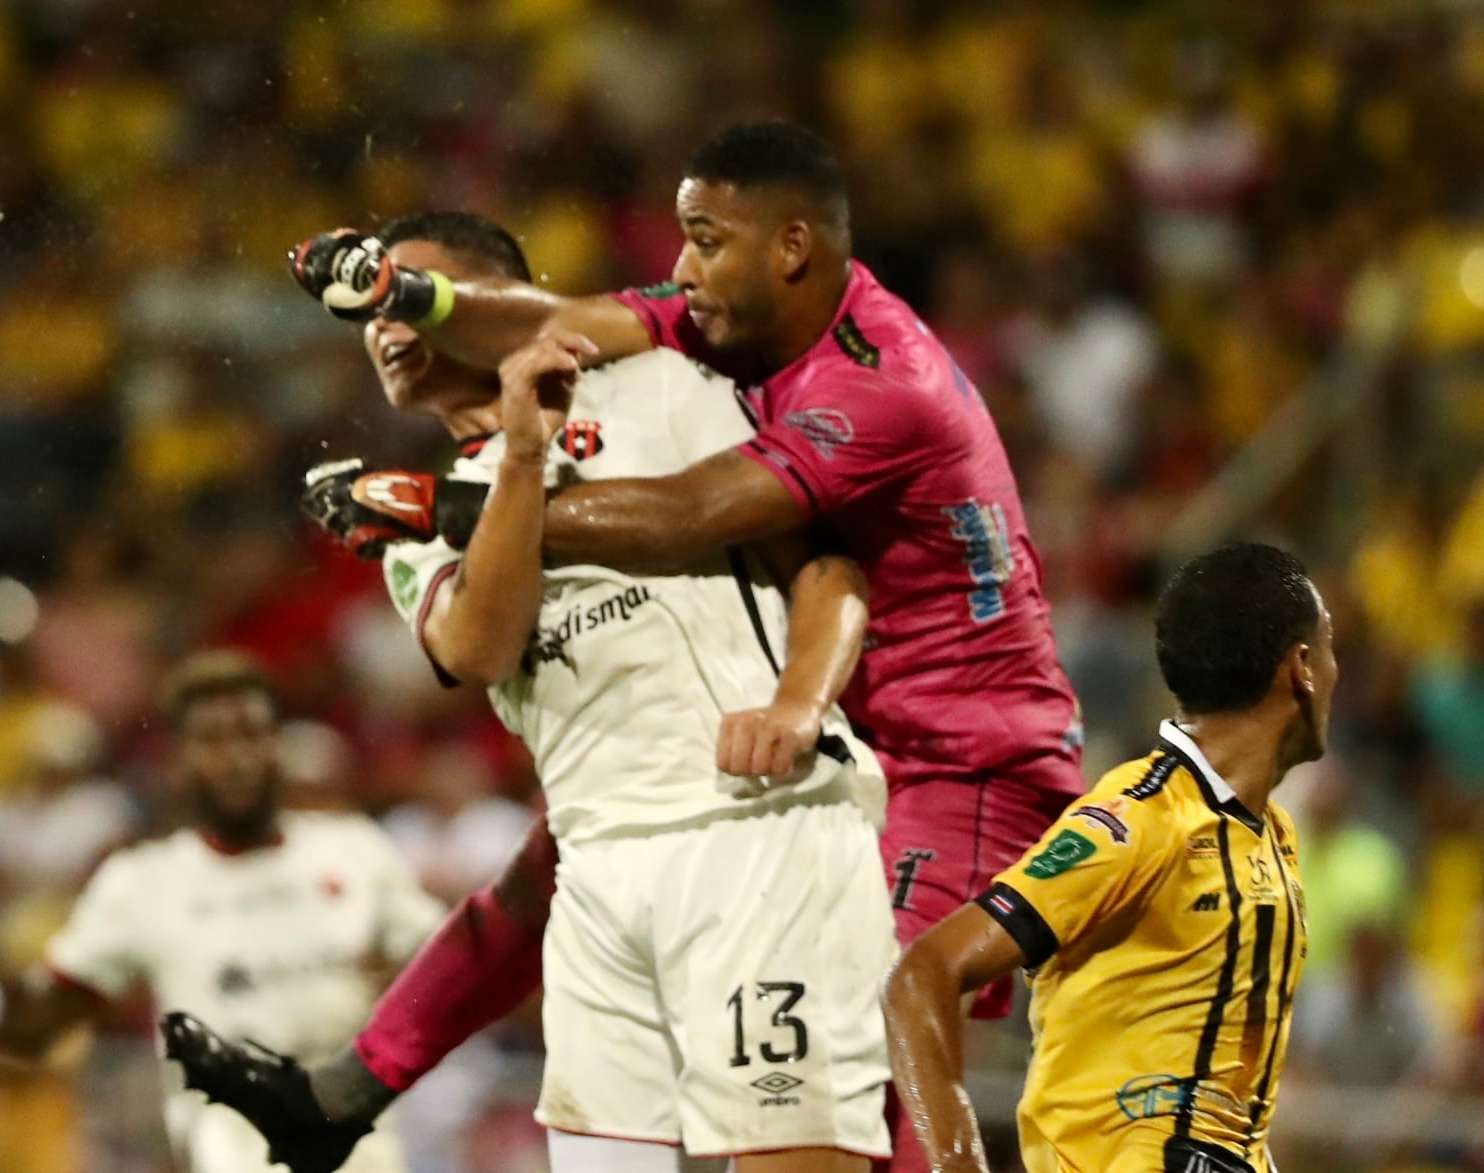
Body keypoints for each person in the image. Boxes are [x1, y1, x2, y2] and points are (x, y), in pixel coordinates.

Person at [286, 121, 1086, 1168]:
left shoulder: (866, 380)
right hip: (760, 781)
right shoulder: (711, 331)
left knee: (888, 1032)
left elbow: (692, 513)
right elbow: (556, 317)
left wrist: (449, 508)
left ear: (789, 246)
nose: (678, 268)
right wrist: (402, 294)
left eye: (704, 240)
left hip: (951, 755)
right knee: (574, 885)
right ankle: (355, 1082)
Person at [168, 211, 898, 1173]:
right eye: (369, 311)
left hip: (756, 829)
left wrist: (800, 702)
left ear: (491, 304)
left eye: (412, 293)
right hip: (595, 876)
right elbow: (478, 643)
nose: (383, 323)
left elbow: (822, 562)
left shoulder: (661, 386)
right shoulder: (410, 520)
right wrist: (518, 452)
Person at [0, 651, 443, 1173]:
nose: (237, 757)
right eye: (213, 740)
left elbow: (456, 973)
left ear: (277, 744)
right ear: (178, 760)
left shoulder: (353, 851)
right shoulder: (144, 884)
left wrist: (406, 991)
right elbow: (37, 1023)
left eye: (252, 732)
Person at [882, 543, 1334, 1173]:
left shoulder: (1271, 831)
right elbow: (919, 976)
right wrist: (960, 1163)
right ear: (1303, 667)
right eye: (1331, 647)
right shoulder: (1136, 821)